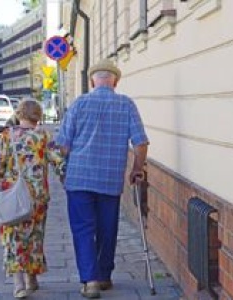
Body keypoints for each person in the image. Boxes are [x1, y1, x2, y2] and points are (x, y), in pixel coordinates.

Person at [56, 59, 149, 299]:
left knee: (83, 229)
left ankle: (90, 280)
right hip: (109, 180)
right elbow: (140, 142)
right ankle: (105, 275)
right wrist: (137, 168)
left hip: (78, 178)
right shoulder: (126, 104)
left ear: (91, 82)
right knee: (107, 228)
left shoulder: (78, 104)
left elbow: (63, 146)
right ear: (115, 82)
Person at [0, 99, 65, 299]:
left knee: (14, 237)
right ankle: (32, 278)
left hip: (12, 195)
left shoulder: (8, 135)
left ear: (19, 114)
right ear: (38, 116)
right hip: (37, 196)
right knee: (35, 236)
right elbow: (58, 160)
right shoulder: (43, 135)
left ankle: (18, 284)